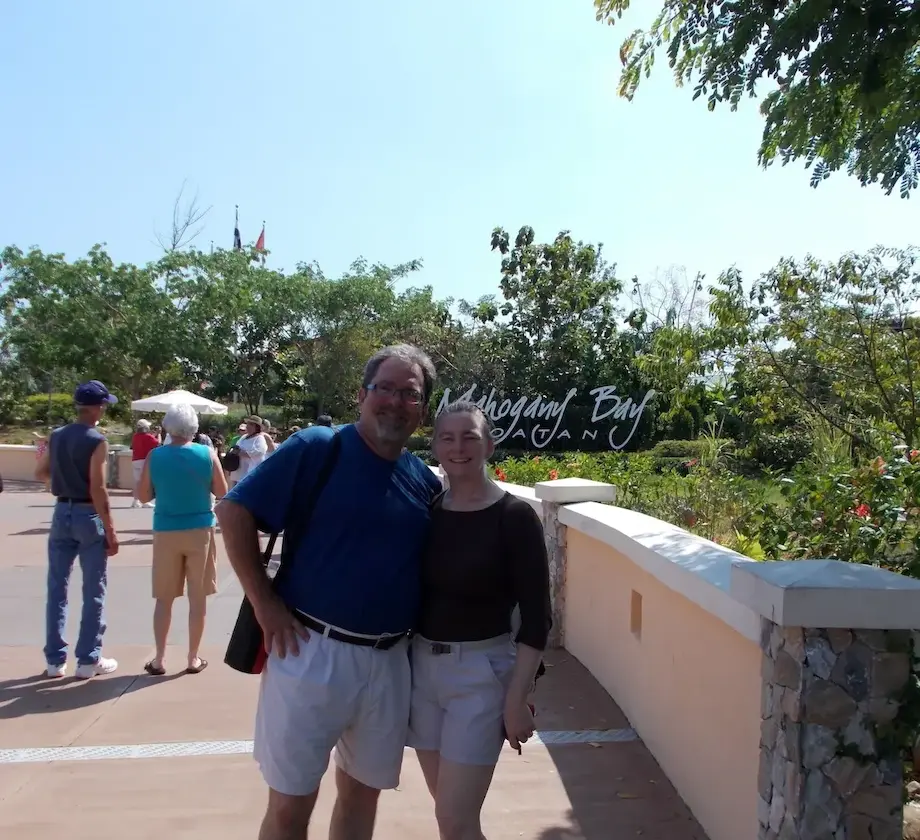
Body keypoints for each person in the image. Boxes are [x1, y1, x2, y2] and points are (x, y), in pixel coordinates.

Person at [216, 344, 443, 840]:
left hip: (388, 664)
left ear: (423, 410)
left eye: (411, 393)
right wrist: (265, 603)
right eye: (386, 388)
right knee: (290, 804)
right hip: (308, 651)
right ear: (362, 395)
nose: (396, 402)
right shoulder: (319, 447)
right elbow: (234, 511)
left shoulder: (423, 482)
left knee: (361, 800)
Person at [408, 400, 551, 840]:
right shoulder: (427, 511)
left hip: (481, 676)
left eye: (469, 436)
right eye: (447, 438)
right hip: (422, 674)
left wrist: (516, 698)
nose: (458, 447)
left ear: (489, 445)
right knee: (453, 819)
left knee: (454, 820)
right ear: (434, 447)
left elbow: (537, 618)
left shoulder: (515, 517)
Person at [35, 380, 121, 680]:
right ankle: (87, 659)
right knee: (93, 589)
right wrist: (110, 529)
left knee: (57, 588)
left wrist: (60, 487)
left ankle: (55, 661)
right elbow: (98, 487)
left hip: (62, 510)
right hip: (87, 513)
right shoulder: (96, 440)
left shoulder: (57, 436)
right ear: (97, 407)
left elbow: (40, 471)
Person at [136, 403, 228, 675]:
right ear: (194, 427)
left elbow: (142, 497)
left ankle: (160, 658)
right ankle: (192, 657)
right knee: (197, 599)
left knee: (164, 599)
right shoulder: (207, 454)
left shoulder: (155, 456)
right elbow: (222, 490)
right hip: (200, 529)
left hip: (166, 530)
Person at [226, 416, 269, 488]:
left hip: (250, 473)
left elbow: (260, 451)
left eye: (251, 424)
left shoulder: (259, 438)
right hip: (238, 471)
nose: (248, 426)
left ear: (257, 427)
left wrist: (242, 453)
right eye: (248, 424)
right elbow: (236, 447)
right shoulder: (244, 437)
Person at [130, 419, 159, 508]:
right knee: (145, 481)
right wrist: (159, 434)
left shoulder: (135, 436)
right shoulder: (148, 436)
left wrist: (152, 435)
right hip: (144, 460)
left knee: (137, 481)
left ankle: (135, 501)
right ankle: (145, 501)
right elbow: (158, 443)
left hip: (135, 460)